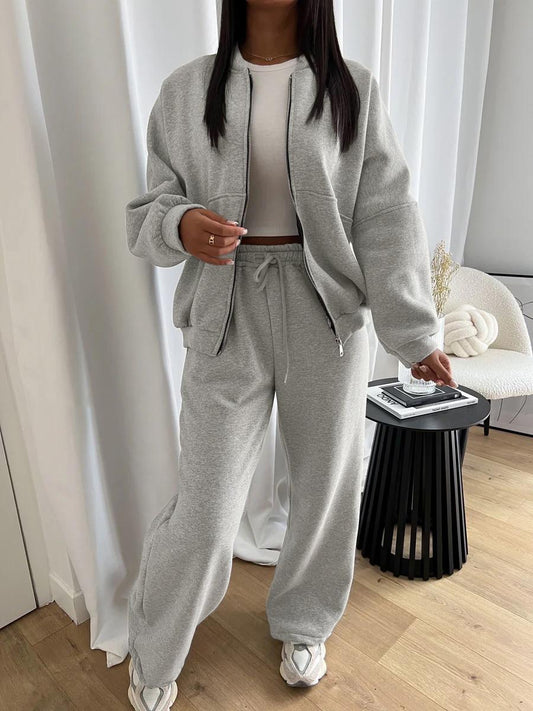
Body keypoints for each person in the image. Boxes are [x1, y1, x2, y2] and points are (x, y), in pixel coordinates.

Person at [125, 0, 456, 708]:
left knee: (326, 486)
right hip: (225, 313)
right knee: (207, 507)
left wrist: (414, 333)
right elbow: (146, 212)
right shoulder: (186, 91)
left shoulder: (352, 89)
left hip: (325, 315)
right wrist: (181, 224)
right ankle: (155, 646)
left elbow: (385, 214)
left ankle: (305, 622)